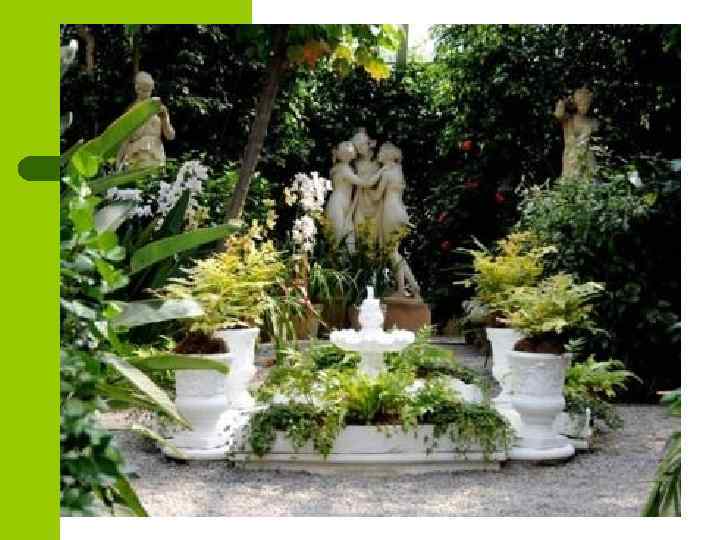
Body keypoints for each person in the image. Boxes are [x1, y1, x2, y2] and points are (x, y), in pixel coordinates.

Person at [371, 142, 421, 298]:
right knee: (395, 252)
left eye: (380, 152)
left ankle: (401, 289)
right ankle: (414, 286)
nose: (378, 155)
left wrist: (364, 191)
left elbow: (376, 196)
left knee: (392, 252)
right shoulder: (398, 171)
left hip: (390, 212)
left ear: (386, 155)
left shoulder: (386, 174)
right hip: (401, 212)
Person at [326, 141, 382, 251]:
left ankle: (348, 261)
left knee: (350, 238)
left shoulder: (347, 169)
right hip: (337, 204)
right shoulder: (343, 169)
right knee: (337, 239)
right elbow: (366, 183)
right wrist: (382, 171)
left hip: (346, 206)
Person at [116, 71, 175, 170]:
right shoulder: (131, 110)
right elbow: (125, 138)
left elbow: (170, 136)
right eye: (143, 90)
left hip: (156, 154)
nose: (147, 94)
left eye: (149, 90)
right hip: (136, 154)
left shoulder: (158, 108)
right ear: (137, 89)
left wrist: (165, 118)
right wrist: (118, 160)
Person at [554, 87, 599, 179]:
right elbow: (558, 113)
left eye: (587, 103)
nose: (584, 106)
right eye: (581, 102)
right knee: (572, 183)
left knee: (590, 182)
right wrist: (564, 101)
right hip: (572, 158)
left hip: (588, 158)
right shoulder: (569, 119)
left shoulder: (593, 122)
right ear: (576, 103)